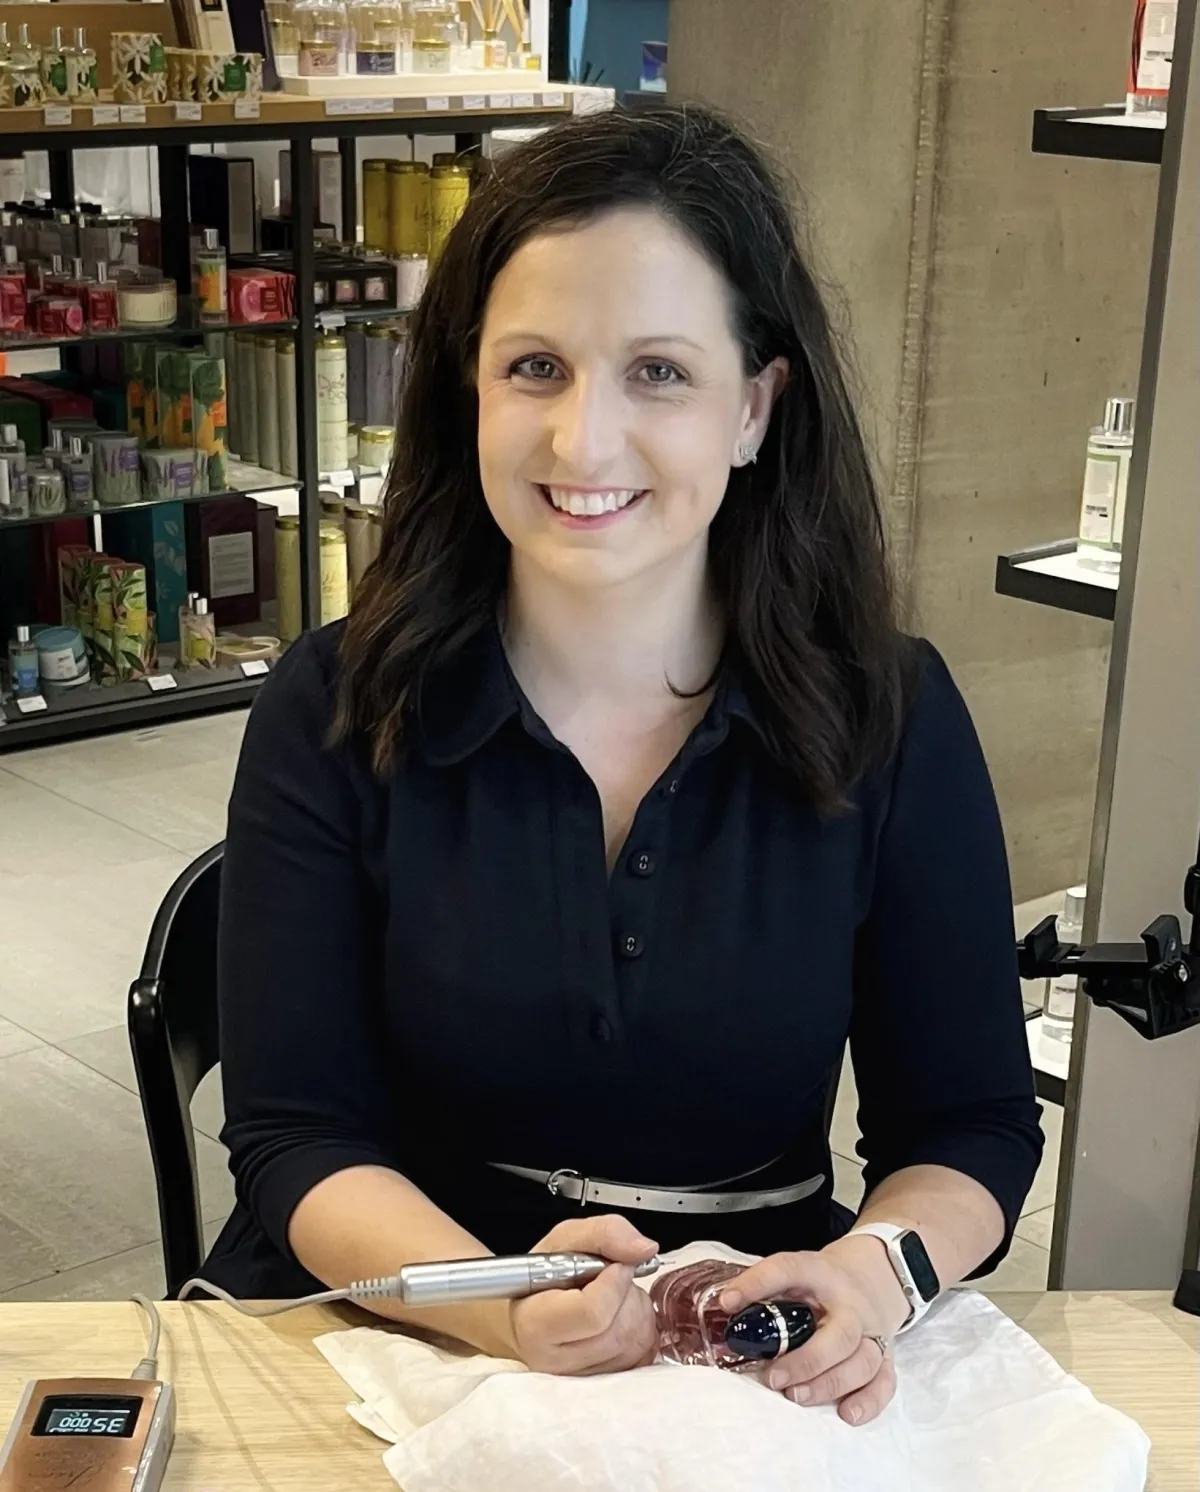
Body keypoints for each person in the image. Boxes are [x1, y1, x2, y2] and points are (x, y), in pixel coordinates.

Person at [205, 104, 1043, 1429]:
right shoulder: (333, 699)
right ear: (467, 388)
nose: (583, 443)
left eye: (658, 371)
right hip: (405, 1319)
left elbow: (974, 1125)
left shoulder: (891, 711)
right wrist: (492, 1300)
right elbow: (296, 1137)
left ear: (757, 407)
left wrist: (869, 1284)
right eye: (535, 367)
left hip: (747, 1336)